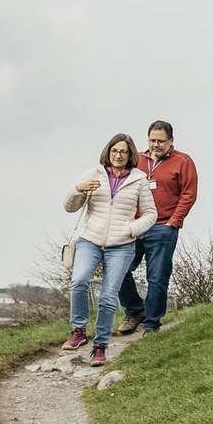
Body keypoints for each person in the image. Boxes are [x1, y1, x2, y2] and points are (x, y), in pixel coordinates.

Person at [63, 134, 156, 366]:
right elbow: (69, 207)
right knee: (79, 281)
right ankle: (78, 331)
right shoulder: (93, 174)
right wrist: (78, 190)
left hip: (121, 245)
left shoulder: (139, 179)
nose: (118, 155)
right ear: (108, 151)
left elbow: (150, 213)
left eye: (123, 151)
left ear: (130, 154)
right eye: (115, 150)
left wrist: (131, 230)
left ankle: (100, 346)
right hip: (90, 240)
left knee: (107, 296)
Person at [116, 119, 198, 334]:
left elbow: (188, 194)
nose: (156, 145)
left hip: (163, 226)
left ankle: (151, 323)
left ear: (171, 141)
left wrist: (174, 222)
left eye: (161, 141)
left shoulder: (183, 161)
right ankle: (134, 310)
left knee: (157, 277)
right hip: (134, 226)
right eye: (153, 140)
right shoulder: (137, 160)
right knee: (117, 269)